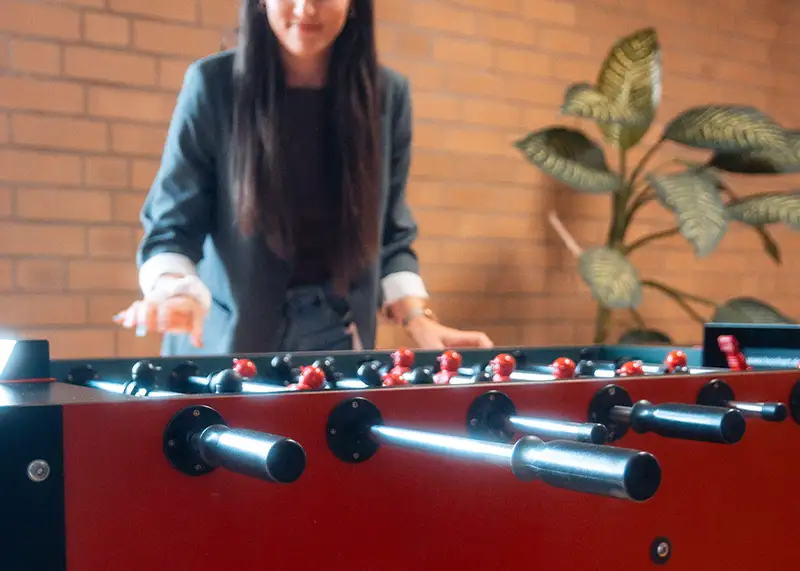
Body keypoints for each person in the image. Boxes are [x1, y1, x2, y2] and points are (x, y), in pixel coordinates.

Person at [114, 0, 494, 356]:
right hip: (227, 337)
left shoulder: (386, 95)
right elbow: (172, 224)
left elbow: (390, 234)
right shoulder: (213, 85)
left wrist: (418, 319)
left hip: (334, 334)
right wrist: (173, 292)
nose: (306, 8)